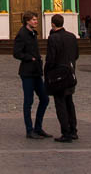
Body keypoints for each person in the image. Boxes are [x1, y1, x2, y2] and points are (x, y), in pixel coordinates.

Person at [13, 11, 51, 139]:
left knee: (45, 99)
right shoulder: (22, 34)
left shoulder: (33, 33)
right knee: (28, 102)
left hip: (36, 72)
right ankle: (30, 130)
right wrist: (30, 58)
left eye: (36, 19)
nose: (36, 22)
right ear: (27, 21)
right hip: (27, 72)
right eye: (34, 20)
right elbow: (16, 53)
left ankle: (38, 127)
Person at [44, 13, 79, 143]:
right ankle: (73, 130)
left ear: (53, 24)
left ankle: (65, 132)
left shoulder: (53, 38)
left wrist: (47, 72)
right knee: (69, 102)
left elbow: (51, 58)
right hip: (70, 73)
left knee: (60, 104)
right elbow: (76, 55)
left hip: (58, 76)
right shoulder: (72, 37)